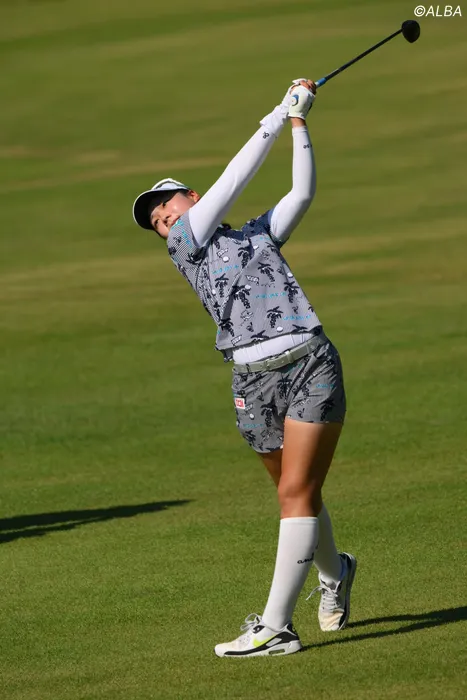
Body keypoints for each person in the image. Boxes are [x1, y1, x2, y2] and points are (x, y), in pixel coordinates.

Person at [132, 79, 357, 658]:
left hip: (309, 362)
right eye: (155, 220)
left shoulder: (257, 235)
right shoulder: (185, 245)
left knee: (297, 492)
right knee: (295, 490)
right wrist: (277, 116)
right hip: (252, 382)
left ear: (190, 195)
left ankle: (277, 627)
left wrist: (299, 123)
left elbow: (300, 194)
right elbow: (233, 180)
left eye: (167, 203)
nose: (162, 217)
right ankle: (335, 572)